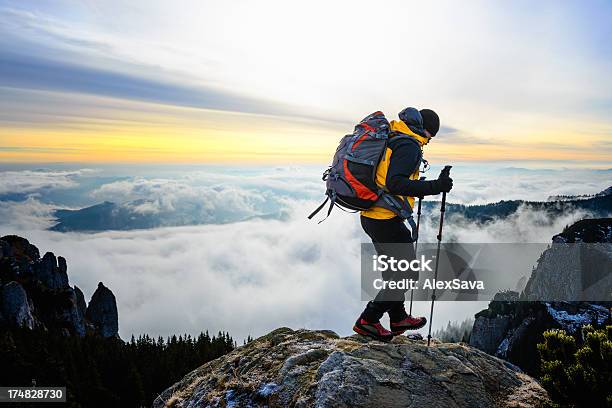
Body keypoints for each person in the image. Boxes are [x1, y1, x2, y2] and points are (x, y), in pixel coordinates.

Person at [353, 107, 453, 341]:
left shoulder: (394, 137)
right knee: (407, 275)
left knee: (394, 273)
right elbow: (396, 183)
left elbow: (391, 178)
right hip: (385, 220)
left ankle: (398, 317)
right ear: (425, 130)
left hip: (372, 216)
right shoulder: (408, 146)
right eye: (430, 137)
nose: (428, 142)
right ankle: (368, 319)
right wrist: (436, 187)